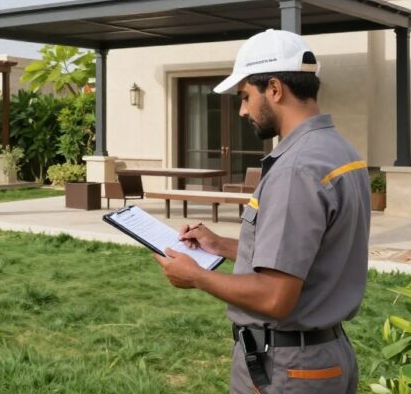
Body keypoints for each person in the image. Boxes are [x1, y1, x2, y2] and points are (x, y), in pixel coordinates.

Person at [153, 29, 370, 394]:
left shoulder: (295, 169)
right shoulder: (340, 152)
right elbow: (307, 254)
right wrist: (222, 246)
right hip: (326, 356)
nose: (242, 110)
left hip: (288, 369)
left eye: (245, 97)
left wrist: (195, 277)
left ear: (274, 89)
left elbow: (274, 297)